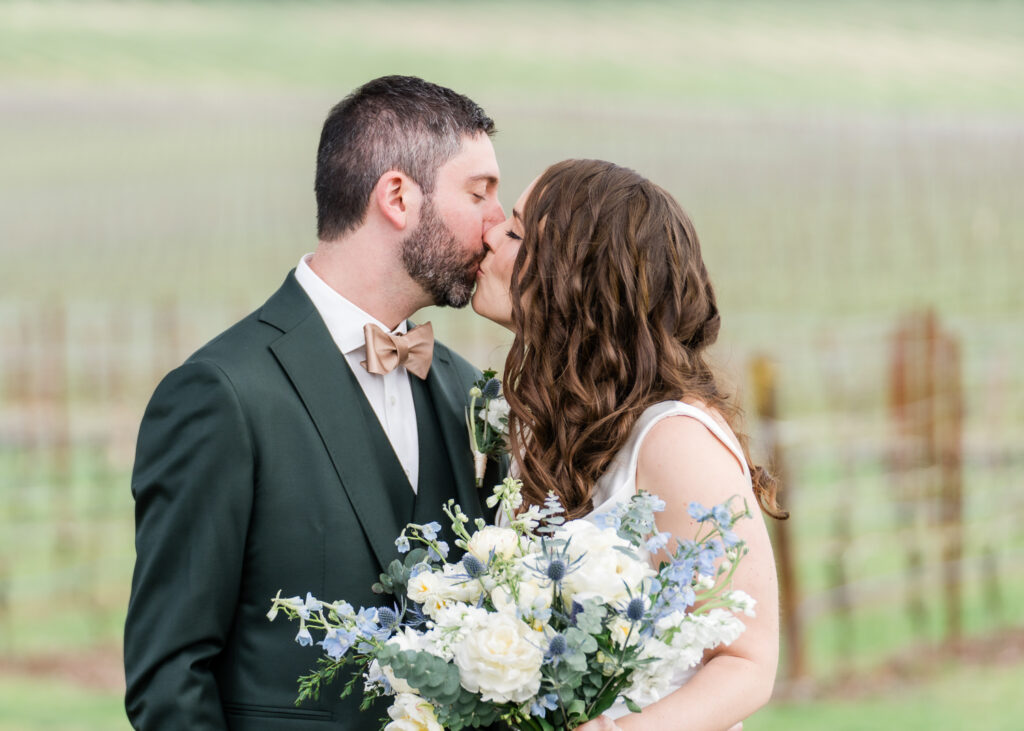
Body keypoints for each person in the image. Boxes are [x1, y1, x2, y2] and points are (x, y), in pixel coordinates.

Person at [124, 76, 506, 730]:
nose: (498, 224)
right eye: (480, 194)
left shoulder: (468, 392)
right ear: (397, 197)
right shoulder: (223, 393)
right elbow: (170, 679)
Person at [472, 159, 786, 731]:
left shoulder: (674, 440)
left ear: (578, 277)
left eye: (516, 233)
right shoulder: (543, 424)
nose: (490, 235)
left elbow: (747, 662)